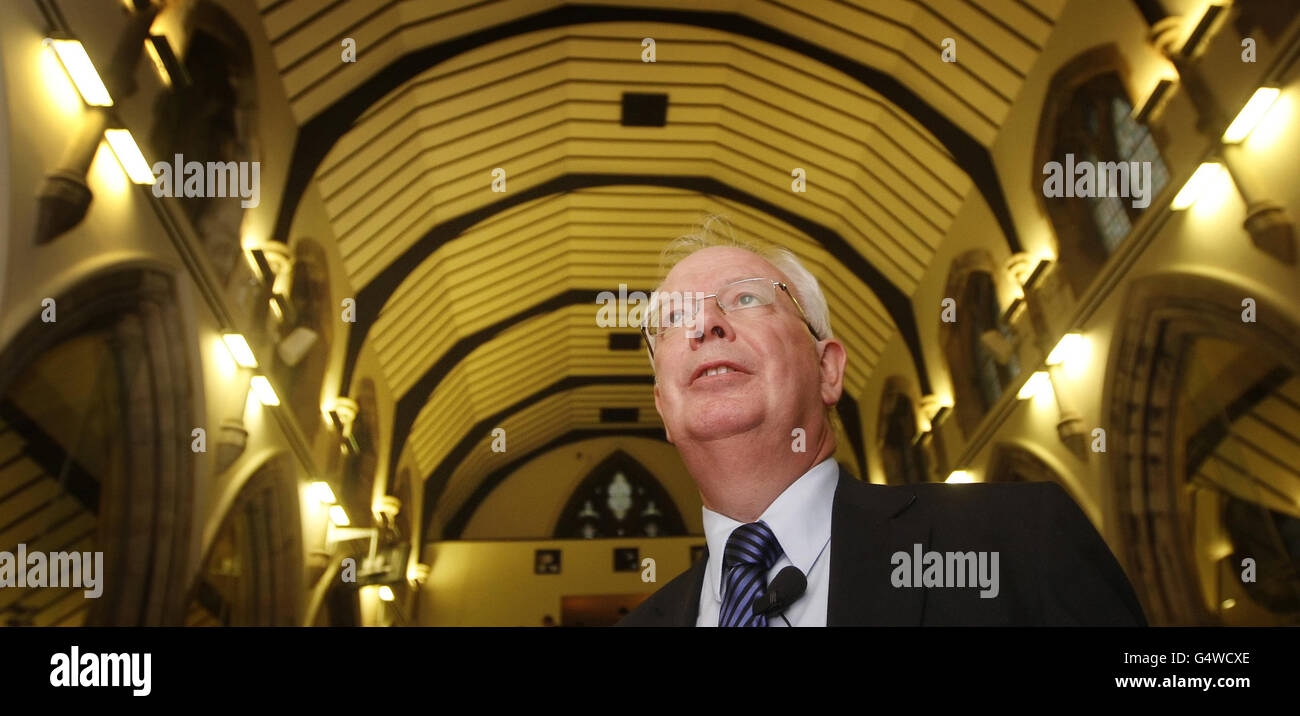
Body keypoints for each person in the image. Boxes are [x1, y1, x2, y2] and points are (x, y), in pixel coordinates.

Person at [617, 218, 1146, 627]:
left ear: (828, 369)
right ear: (664, 406)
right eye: (673, 317)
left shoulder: (1017, 540)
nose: (705, 323)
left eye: (746, 298)